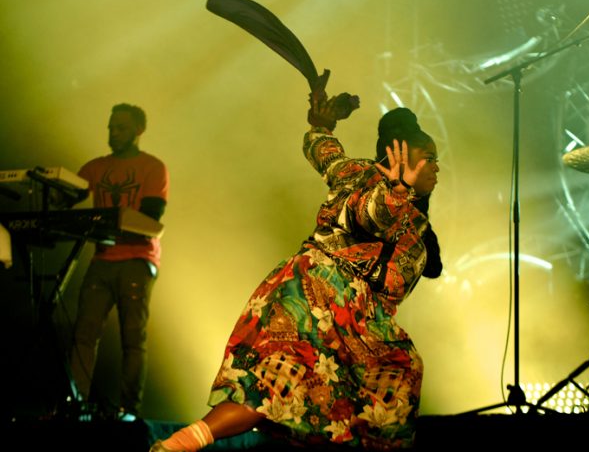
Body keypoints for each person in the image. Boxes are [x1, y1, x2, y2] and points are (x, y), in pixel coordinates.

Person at [151, 79, 441, 451]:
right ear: (399, 155)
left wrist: (322, 125)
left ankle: (181, 445)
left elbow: (325, 152)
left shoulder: (410, 219)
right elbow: (367, 216)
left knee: (382, 382)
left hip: (353, 317)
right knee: (278, 385)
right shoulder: (372, 181)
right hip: (322, 297)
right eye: (429, 156)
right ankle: (179, 445)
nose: (437, 167)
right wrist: (397, 190)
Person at [69, 102, 169, 421]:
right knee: (83, 334)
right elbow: (66, 194)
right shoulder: (94, 167)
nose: (113, 133)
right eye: (111, 127)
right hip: (103, 258)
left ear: (139, 130)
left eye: (121, 127)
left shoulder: (153, 167)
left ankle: (129, 411)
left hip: (138, 259)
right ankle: (76, 405)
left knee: (132, 337)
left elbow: (151, 215)